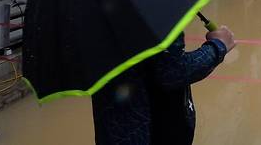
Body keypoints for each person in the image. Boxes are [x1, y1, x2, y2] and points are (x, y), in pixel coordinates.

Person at [91, 27, 236, 145]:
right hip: (154, 126)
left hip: (113, 127)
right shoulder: (152, 6)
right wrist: (218, 47)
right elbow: (173, 72)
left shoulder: (90, 8)